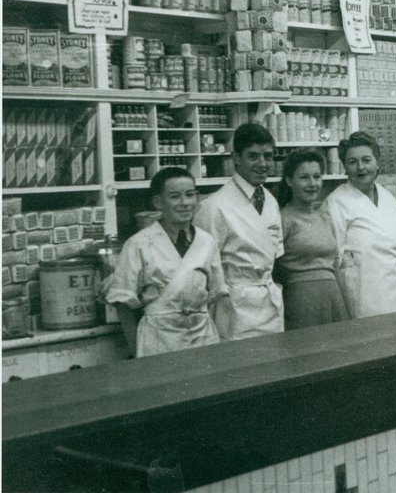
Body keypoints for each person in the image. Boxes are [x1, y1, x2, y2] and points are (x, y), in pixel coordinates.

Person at [105, 167, 225, 357]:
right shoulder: (139, 243)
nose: (185, 203)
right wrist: (137, 352)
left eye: (190, 195)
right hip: (158, 339)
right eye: (175, 196)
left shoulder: (207, 242)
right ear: (158, 202)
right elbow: (123, 304)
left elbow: (214, 294)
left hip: (202, 335)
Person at [195, 123, 284, 341]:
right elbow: (201, 268)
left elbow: (276, 254)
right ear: (236, 158)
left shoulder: (270, 201)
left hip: (270, 302)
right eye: (253, 156)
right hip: (235, 307)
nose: (262, 164)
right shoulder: (215, 205)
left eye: (268, 156)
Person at [324, 131, 396, 318]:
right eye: (352, 162)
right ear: (345, 167)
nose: (360, 167)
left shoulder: (390, 200)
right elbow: (334, 263)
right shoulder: (336, 202)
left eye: (366, 160)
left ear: (377, 162)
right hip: (361, 300)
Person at [274, 149, 350, 328]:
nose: (312, 183)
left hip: (333, 298)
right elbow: (273, 268)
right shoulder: (283, 219)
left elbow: (335, 265)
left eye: (317, 177)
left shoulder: (324, 216)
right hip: (301, 302)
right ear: (289, 180)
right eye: (304, 177)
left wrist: (344, 306)